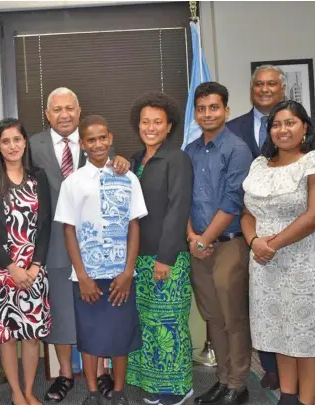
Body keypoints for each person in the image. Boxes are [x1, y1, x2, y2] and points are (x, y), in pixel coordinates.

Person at [0, 87, 130, 402]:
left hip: (94, 243)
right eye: (57, 109)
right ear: (47, 114)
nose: (64, 114)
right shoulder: (32, 144)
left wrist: (122, 162)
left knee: (96, 310)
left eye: (69, 108)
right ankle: (64, 373)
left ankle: (100, 372)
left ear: (79, 110)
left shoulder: (95, 141)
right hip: (49, 248)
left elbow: (112, 169)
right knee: (59, 313)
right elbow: (6, 165)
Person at [241, 100, 315, 405]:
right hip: (267, 260)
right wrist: (255, 242)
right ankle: (288, 396)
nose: (283, 130)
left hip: (310, 258)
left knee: (309, 332)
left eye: (290, 123)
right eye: (276, 124)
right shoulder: (259, 165)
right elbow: (247, 211)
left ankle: (306, 400)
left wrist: (272, 244)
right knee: (281, 327)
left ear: (304, 126)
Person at [55, 115, 147, 405]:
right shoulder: (72, 182)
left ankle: (118, 391)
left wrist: (128, 272)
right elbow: (68, 230)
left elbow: (134, 225)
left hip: (121, 274)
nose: (97, 144)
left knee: (121, 335)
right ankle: (93, 392)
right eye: (90, 140)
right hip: (87, 277)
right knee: (90, 335)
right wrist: (82, 276)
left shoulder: (127, 176)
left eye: (102, 138)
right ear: (82, 144)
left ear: (110, 139)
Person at [185, 82, 254, 405]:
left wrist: (204, 240)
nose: (208, 113)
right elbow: (182, 199)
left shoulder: (237, 149)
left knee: (233, 317)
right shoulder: (191, 151)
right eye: (202, 108)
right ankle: (223, 379)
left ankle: (238, 384)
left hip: (228, 245)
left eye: (214, 107)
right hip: (198, 245)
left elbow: (232, 201)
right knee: (213, 318)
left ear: (226, 110)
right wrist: (192, 237)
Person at [0, 118, 52, 405]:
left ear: (25, 142)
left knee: (31, 334)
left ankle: (30, 390)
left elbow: (45, 225)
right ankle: (16, 393)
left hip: (34, 270)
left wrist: (35, 266)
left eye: (16, 139)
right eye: (5, 141)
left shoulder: (38, 177)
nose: (12, 146)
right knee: (7, 335)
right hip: (1, 270)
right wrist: (11, 266)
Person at [125, 92, 194, 405]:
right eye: (145, 122)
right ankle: (153, 383)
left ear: (169, 127)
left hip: (166, 258)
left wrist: (165, 258)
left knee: (169, 324)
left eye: (157, 122)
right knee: (149, 324)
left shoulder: (176, 159)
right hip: (139, 258)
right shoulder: (137, 160)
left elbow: (178, 209)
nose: (150, 127)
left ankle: (177, 388)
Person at [226, 64, 287, 389]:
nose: (264, 89)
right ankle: (271, 367)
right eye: (259, 84)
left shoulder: (295, 128)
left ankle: (289, 361)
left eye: (271, 84)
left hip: (289, 229)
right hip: (244, 227)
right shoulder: (232, 128)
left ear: (282, 89)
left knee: (286, 300)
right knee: (256, 302)